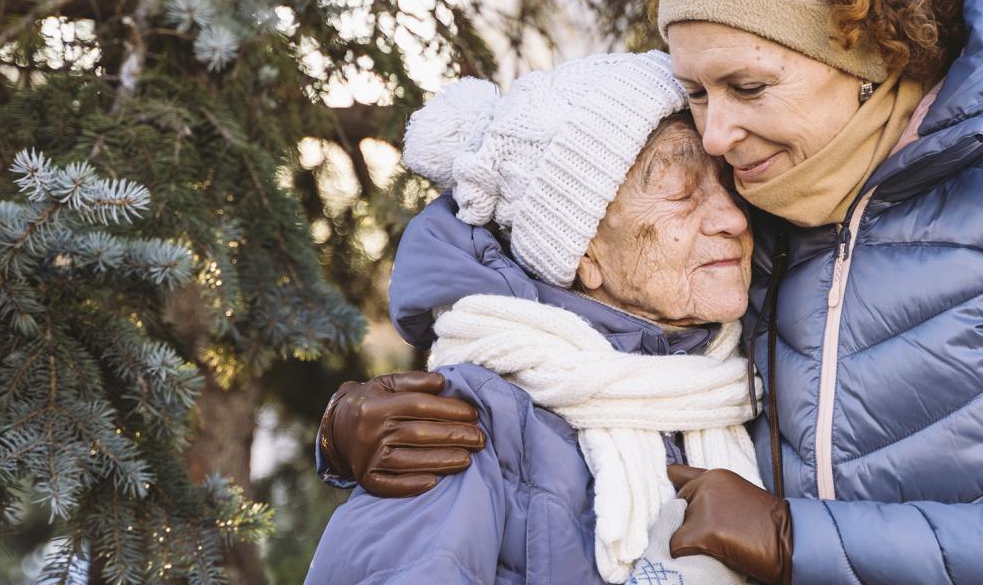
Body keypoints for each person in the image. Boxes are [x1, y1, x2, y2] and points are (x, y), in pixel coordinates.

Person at [319, 0, 983, 583]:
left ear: (866, 55)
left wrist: (792, 537)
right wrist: (357, 433)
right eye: (697, 92)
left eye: (747, 86)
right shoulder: (758, 192)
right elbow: (536, 212)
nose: (719, 135)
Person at [307, 51, 760, 584]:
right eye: (681, 192)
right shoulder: (472, 424)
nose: (732, 218)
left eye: (727, 182)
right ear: (582, 252)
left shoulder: (755, 364)